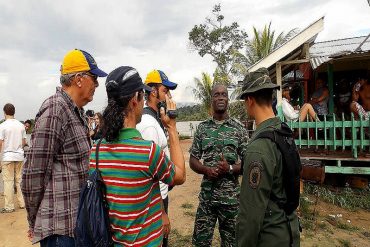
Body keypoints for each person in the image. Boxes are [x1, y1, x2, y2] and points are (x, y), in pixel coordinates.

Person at [90, 66, 186, 246]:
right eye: (142, 95)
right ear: (135, 99)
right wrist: (172, 128)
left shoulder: (96, 151)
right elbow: (179, 176)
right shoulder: (148, 152)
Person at [21, 49, 107, 246]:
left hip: (76, 225)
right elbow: (33, 174)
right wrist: (35, 221)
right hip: (60, 231)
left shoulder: (76, 112)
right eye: (93, 78)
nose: (96, 84)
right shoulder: (55, 109)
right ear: (78, 79)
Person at [236, 68, 300, 247]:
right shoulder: (284, 132)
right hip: (290, 231)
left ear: (249, 100)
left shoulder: (258, 148)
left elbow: (250, 214)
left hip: (270, 237)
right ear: (271, 96)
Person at [189, 84, 248, 247]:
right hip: (207, 199)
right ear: (211, 99)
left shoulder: (239, 128)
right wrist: (205, 169)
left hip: (231, 201)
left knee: (232, 244)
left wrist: (229, 168)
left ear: (228, 99)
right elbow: (193, 160)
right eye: (216, 94)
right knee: (201, 243)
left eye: (224, 94)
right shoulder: (202, 128)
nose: (220, 97)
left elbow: (249, 163)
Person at [136, 69, 178, 246]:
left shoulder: (155, 119)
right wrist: (161, 212)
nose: (168, 96)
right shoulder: (149, 125)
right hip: (155, 200)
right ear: (153, 92)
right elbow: (149, 173)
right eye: (165, 91)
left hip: (160, 196)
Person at [0, 103, 26, 213]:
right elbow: (24, 142)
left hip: (7, 156)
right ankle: (22, 203)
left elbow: (0, 144)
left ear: (4, 112)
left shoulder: (2, 125)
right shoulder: (21, 125)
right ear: (14, 112)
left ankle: (9, 206)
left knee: (8, 181)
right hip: (19, 156)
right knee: (19, 180)